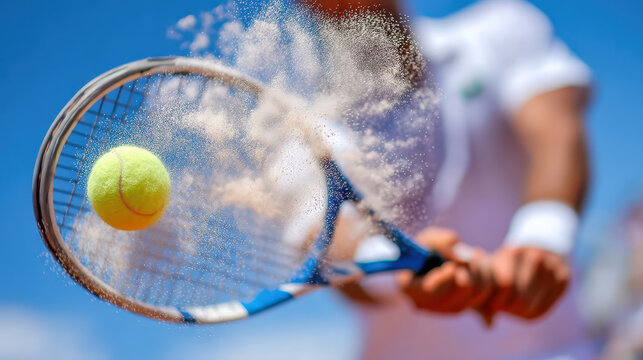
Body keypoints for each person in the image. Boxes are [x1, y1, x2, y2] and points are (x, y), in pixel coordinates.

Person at [300, 0, 593, 359]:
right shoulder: (302, 123)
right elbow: (328, 238)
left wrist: (543, 237)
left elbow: (556, 131)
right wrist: (401, 265)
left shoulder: (500, 30)